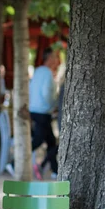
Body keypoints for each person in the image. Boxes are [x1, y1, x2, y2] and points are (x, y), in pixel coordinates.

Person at [29, 47, 60, 180]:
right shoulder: (47, 73)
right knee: (39, 140)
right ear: (49, 59)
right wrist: (54, 105)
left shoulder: (38, 71)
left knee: (51, 142)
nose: (57, 60)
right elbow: (46, 94)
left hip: (35, 110)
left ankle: (54, 169)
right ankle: (14, 163)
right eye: (54, 57)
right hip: (43, 111)